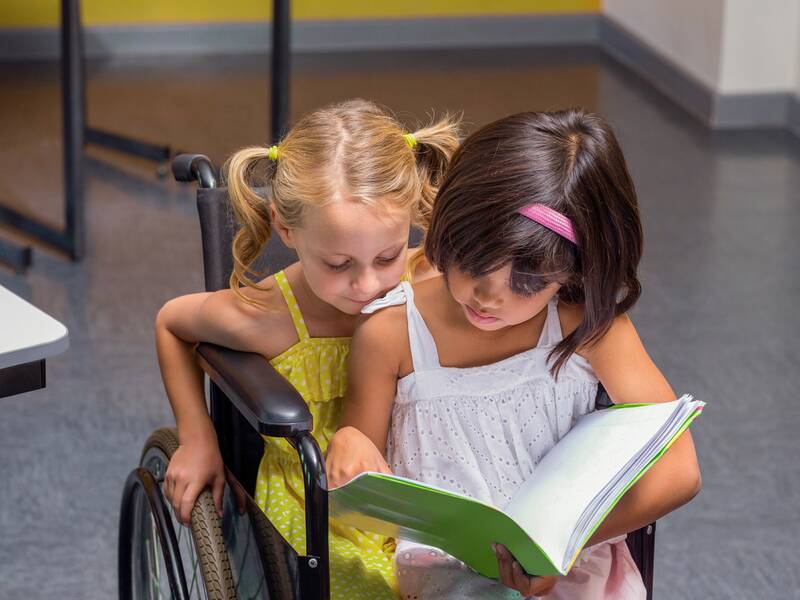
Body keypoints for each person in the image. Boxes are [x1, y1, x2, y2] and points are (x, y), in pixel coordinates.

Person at [326, 108, 702, 599]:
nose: (489, 296)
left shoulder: (588, 327)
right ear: (449, 230)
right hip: (445, 575)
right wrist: (350, 441)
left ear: (572, 271)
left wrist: (562, 550)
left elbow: (680, 471)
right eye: (473, 264)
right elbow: (362, 479)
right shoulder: (392, 332)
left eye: (526, 282)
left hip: (574, 564)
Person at [156, 98, 460, 599]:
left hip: (416, 482)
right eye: (339, 263)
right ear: (285, 229)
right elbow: (171, 323)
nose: (367, 284)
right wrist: (197, 435)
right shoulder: (268, 315)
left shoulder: (427, 275)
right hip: (316, 502)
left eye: (387, 255)